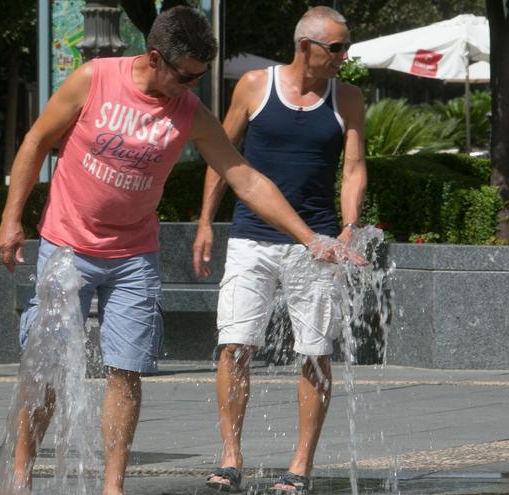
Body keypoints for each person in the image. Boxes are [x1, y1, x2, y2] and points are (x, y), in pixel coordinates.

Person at [0, 6, 360, 495]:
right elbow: (37, 141)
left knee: (126, 372)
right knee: (47, 371)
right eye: (185, 75)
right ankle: (20, 476)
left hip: (133, 256)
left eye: (200, 77)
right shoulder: (93, 79)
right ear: (154, 58)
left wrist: (310, 237)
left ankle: (113, 487)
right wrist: (11, 218)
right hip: (67, 247)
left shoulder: (189, 110)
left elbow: (244, 176)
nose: (190, 86)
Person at [192, 6, 366, 494]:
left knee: (315, 352)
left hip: (318, 244)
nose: (343, 56)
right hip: (251, 237)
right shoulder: (252, 86)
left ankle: (300, 465)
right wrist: (206, 222)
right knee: (235, 345)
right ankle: (230, 456)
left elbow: (353, 168)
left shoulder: (347, 97)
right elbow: (221, 156)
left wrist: (349, 227)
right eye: (336, 48)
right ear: (305, 46)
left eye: (345, 47)